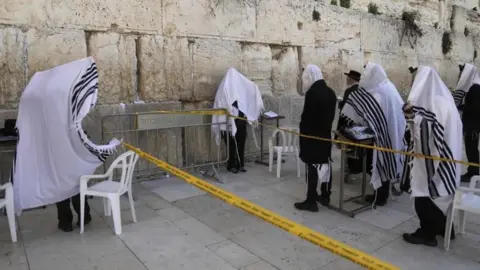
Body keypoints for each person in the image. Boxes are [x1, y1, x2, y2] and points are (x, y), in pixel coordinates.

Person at [12, 57, 120, 232]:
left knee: (59, 181)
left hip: (54, 148)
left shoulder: (43, 99)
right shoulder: (62, 97)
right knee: (76, 182)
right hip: (68, 144)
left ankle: (65, 221)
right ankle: (83, 217)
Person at [401, 66, 461, 247]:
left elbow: (426, 129)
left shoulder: (434, 104)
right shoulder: (444, 99)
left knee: (423, 192)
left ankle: (427, 234)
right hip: (449, 158)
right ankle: (444, 228)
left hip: (434, 159)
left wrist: (411, 116)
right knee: (444, 194)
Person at [340, 62, 406, 206]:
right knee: (386, 161)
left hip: (382, 136)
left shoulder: (379, 91)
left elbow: (361, 102)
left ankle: (380, 196)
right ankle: (382, 193)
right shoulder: (389, 87)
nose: (364, 77)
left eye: (366, 74)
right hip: (393, 133)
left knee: (378, 161)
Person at [294, 64, 337, 212]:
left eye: (305, 77)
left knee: (312, 168)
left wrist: (303, 137)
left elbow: (307, 118)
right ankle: (325, 196)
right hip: (325, 137)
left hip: (311, 138)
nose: (305, 80)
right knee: (325, 166)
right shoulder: (330, 92)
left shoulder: (312, 93)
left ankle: (311, 201)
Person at [212, 68, 264, 174]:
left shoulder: (240, 92)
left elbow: (250, 93)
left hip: (241, 123)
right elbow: (221, 104)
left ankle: (240, 164)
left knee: (241, 144)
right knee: (231, 145)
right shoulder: (224, 90)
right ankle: (231, 165)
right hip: (229, 124)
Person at [453, 63, 480, 183]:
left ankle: (473, 172)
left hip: (473, 125)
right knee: (471, 148)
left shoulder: (475, 88)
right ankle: (473, 170)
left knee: (471, 148)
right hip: (471, 124)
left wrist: (462, 107)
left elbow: (475, 108)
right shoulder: (473, 86)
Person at [336, 70, 365, 174]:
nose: (347, 79)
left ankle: (350, 168)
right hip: (360, 124)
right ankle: (357, 167)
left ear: (351, 79)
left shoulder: (349, 91)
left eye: (348, 77)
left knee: (348, 148)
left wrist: (340, 103)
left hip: (349, 125)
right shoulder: (362, 90)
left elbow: (345, 109)